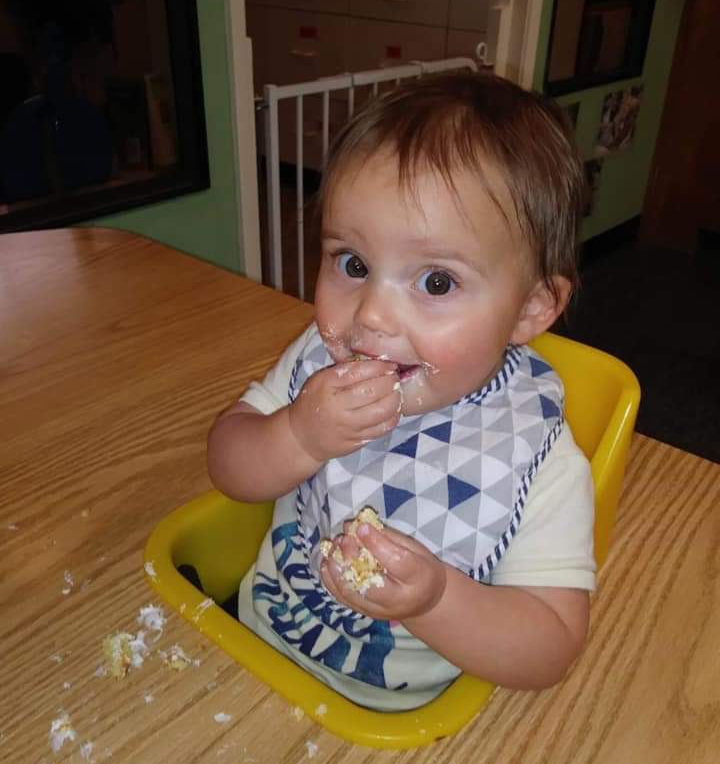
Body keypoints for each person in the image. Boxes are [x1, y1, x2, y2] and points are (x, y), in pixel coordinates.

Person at [206, 71, 594, 712]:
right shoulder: (321, 365)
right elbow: (229, 466)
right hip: (255, 643)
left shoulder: (533, 456)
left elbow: (550, 648)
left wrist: (436, 599)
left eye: (437, 282)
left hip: (395, 718)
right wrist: (298, 434)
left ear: (530, 308)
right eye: (353, 264)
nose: (371, 316)